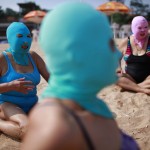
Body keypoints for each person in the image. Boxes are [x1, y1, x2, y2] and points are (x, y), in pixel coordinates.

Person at [22, 2, 139, 150]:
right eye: (110, 44)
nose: (117, 53)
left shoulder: (91, 104)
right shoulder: (55, 128)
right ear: (78, 54)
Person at [0, 22, 49, 140]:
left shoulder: (34, 57)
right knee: (27, 131)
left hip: (32, 103)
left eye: (28, 36)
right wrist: (11, 85)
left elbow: (52, 79)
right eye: (20, 36)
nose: (26, 40)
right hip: (8, 104)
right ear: (10, 38)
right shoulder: (2, 59)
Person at [117, 16, 150, 94]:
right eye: (139, 28)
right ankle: (142, 89)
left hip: (148, 78)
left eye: (145, 27)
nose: (143, 30)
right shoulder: (125, 42)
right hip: (130, 77)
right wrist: (118, 68)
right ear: (133, 28)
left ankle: (132, 87)